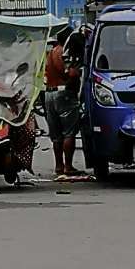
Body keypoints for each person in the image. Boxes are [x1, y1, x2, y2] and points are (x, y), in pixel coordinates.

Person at [43, 30, 82, 178]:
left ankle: (59, 166)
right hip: (63, 94)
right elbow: (69, 73)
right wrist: (77, 71)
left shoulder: (51, 52)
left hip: (49, 93)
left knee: (56, 134)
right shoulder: (63, 52)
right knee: (69, 132)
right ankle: (68, 166)